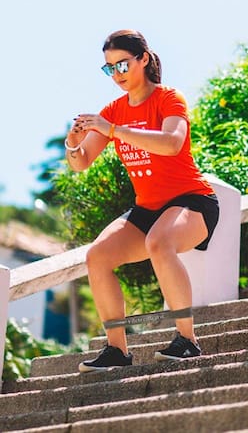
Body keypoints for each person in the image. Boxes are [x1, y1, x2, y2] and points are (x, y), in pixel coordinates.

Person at [65, 30, 219, 372]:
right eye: (109, 68)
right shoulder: (113, 111)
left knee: (159, 242)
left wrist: (114, 129)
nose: (117, 74)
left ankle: (188, 340)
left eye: (122, 64)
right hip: (147, 208)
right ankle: (117, 351)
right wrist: (72, 143)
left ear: (144, 59)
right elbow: (81, 162)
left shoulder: (168, 98)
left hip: (193, 201)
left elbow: (172, 143)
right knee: (97, 257)